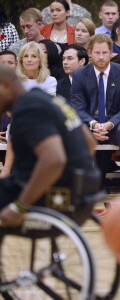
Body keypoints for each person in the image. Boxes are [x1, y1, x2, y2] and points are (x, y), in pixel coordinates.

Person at [0, 64, 97, 227]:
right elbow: (90, 143)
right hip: (85, 189)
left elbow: (54, 160)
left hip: (54, 194)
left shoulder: (27, 109)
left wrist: (20, 206)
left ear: (5, 86)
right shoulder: (49, 99)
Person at [70, 34, 120, 193]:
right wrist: (93, 124)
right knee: (72, 131)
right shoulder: (79, 75)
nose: (101, 57)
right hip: (89, 124)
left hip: (115, 124)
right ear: (90, 53)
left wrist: (107, 125)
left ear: (111, 52)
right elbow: (78, 108)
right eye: (97, 53)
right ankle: (76, 183)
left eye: (104, 52)